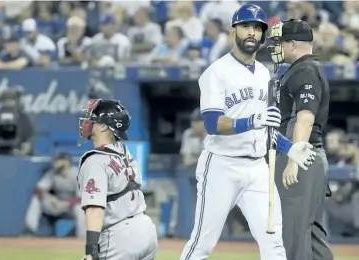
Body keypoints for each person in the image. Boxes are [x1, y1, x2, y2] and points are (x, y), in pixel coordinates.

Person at [179, 5, 316, 260]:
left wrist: (289, 148)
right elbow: (212, 124)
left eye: (257, 28)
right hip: (222, 166)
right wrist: (251, 120)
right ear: (234, 31)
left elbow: (266, 126)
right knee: (202, 244)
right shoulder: (216, 72)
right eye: (246, 26)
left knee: (274, 243)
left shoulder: (264, 73)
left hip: (257, 170)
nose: (252, 32)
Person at [268, 19, 334, 260]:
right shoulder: (306, 68)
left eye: (280, 42)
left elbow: (305, 117)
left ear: (293, 44)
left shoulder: (304, 70)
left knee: (292, 234)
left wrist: (294, 159)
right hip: (310, 157)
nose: (276, 47)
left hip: (301, 157)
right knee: (311, 235)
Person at [77, 99, 157, 260]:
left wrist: (90, 251)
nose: (88, 122)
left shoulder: (96, 161)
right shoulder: (124, 151)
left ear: (105, 126)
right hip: (146, 229)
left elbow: (95, 208)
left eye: (93, 119)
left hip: (120, 237)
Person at [24, 152, 85, 238]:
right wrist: (52, 198)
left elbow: (81, 198)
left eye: (59, 160)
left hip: (70, 207)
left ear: (67, 162)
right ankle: (30, 230)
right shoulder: (53, 173)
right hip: (56, 204)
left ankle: (82, 237)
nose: (56, 162)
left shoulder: (77, 174)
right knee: (36, 199)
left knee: (80, 208)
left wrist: (67, 203)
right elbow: (38, 189)